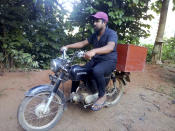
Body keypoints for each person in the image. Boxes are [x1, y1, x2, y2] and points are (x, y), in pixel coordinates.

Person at [61, 11, 118, 111]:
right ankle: (73, 94)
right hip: (96, 60)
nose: (94, 23)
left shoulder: (111, 33)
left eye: (97, 21)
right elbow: (83, 43)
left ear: (104, 23)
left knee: (97, 70)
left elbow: (110, 47)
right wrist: (67, 46)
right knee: (76, 70)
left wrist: (94, 51)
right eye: (94, 21)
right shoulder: (94, 35)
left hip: (108, 61)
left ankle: (102, 95)